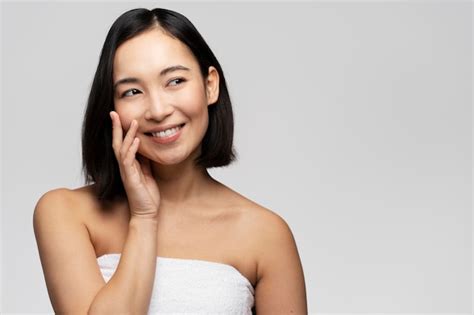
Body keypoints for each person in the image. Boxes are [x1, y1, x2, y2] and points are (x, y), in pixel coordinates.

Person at [33, 7, 307, 314]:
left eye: (175, 81)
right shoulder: (65, 213)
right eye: (132, 91)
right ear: (111, 107)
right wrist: (144, 218)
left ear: (210, 85)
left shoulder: (265, 234)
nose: (158, 109)